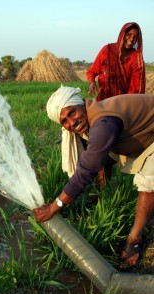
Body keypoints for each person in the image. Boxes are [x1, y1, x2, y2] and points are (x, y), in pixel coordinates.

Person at [32, 85, 154, 269]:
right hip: (138, 136)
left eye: (72, 113)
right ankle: (102, 192)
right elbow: (92, 159)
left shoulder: (104, 121)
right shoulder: (92, 115)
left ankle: (135, 238)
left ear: (81, 104)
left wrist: (54, 206)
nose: (71, 123)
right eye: (64, 121)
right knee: (98, 155)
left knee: (148, 181)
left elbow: (86, 168)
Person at [86, 22, 145, 101]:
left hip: (124, 103)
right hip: (103, 101)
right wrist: (92, 82)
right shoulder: (107, 50)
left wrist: (123, 104)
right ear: (122, 35)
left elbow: (136, 86)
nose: (131, 39)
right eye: (129, 34)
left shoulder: (136, 57)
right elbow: (92, 71)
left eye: (135, 37)